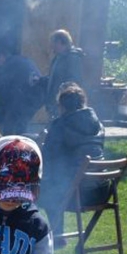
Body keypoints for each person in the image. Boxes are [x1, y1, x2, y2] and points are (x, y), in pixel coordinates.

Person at [40, 83, 105, 243]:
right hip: (99, 191)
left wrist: (41, 143)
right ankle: (57, 236)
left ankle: (49, 238)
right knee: (55, 181)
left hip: (73, 194)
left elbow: (47, 159)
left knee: (34, 189)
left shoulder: (60, 126)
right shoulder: (98, 126)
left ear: (61, 106)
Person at [0, 45, 43, 135]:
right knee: (21, 123)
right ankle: (22, 143)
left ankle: (11, 146)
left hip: (26, 98)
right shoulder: (20, 60)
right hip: (36, 97)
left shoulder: (9, 65)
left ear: (1, 56)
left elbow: (0, 88)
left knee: (11, 125)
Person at [41, 30, 85, 121]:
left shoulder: (73, 58)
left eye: (54, 44)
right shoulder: (58, 58)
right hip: (54, 104)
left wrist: (63, 102)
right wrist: (40, 80)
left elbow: (73, 82)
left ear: (61, 42)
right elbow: (53, 78)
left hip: (64, 106)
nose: (52, 47)